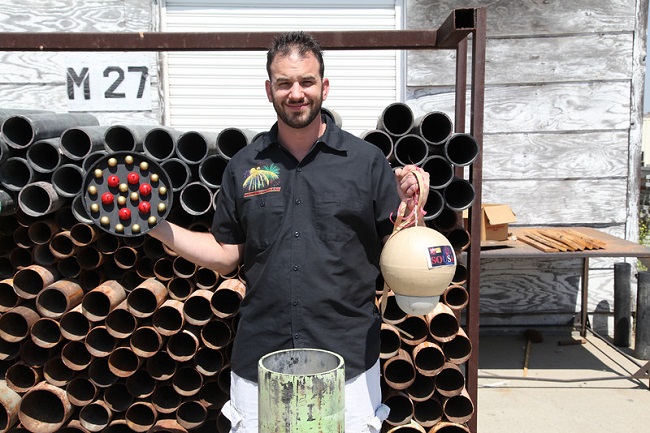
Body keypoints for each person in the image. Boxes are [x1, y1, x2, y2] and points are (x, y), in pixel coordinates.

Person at [149, 31, 429, 433]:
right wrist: (154, 226)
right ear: (269, 90)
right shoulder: (245, 165)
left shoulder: (365, 162)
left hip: (348, 357)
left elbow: (403, 248)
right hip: (262, 355)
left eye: (306, 81)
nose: (296, 93)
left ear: (324, 87)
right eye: (284, 83)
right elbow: (227, 254)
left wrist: (414, 205)